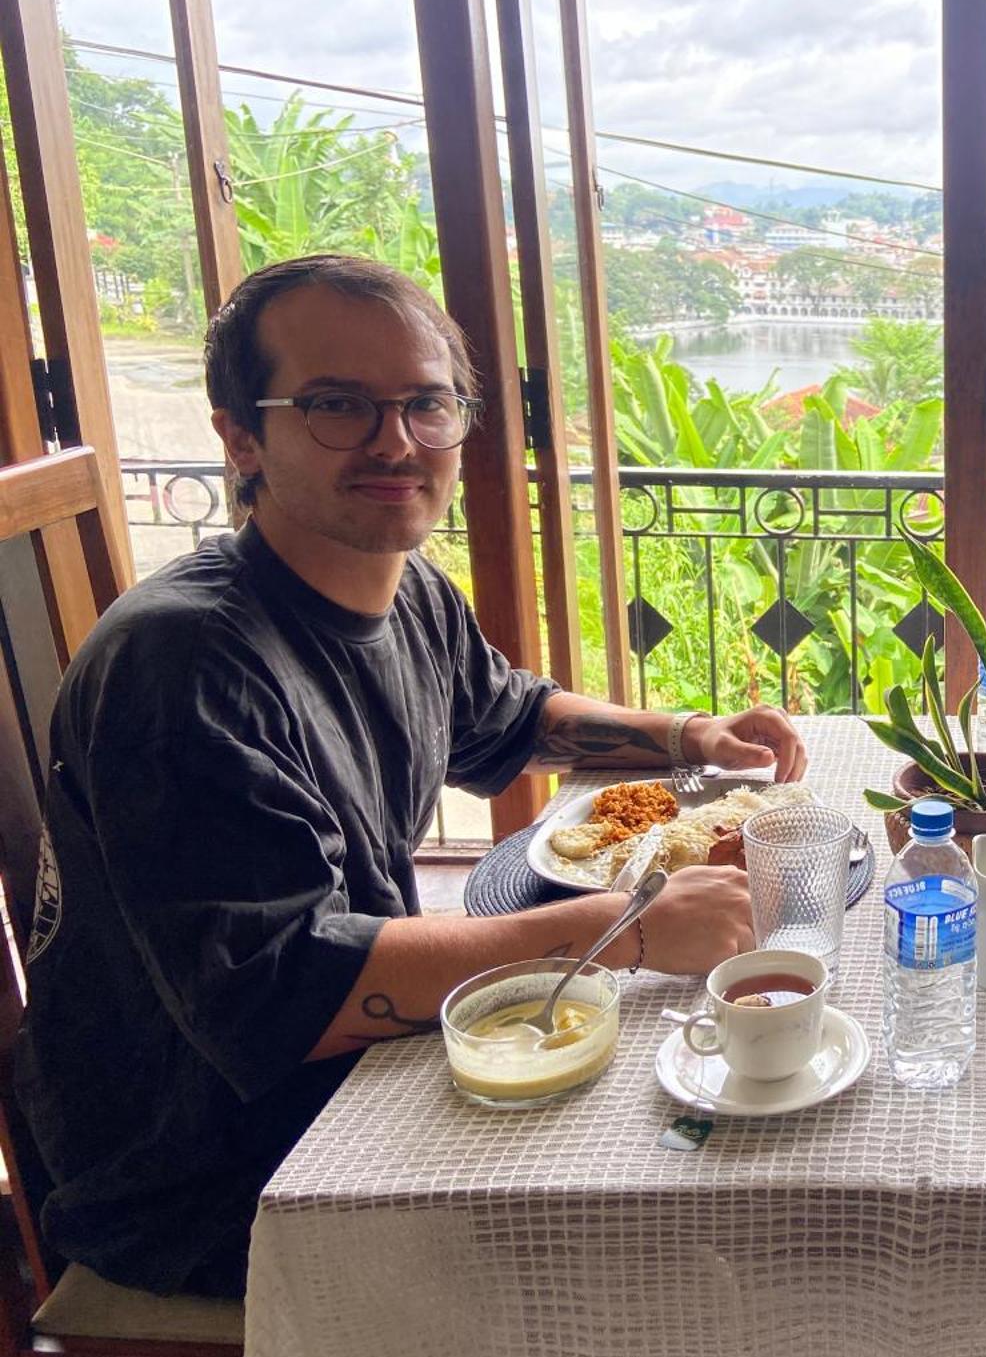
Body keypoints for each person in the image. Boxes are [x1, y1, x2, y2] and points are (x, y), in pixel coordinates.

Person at [15, 253, 808, 1299]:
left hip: (354, 1080)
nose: (397, 442)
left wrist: (690, 736)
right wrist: (628, 931)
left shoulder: (406, 593)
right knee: (718, 1232)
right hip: (217, 1180)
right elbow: (277, 995)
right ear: (241, 434)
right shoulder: (184, 666)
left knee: (739, 1128)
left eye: (427, 404)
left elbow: (506, 717)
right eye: (338, 405)